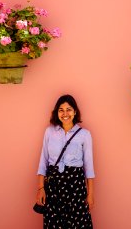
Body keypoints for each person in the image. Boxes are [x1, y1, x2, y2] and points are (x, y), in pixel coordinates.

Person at [36, 94, 94, 228]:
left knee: (77, 224)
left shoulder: (84, 134)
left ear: (75, 111)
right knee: (54, 224)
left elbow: (89, 167)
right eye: (61, 110)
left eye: (68, 109)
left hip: (75, 187)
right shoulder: (49, 132)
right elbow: (43, 162)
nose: (65, 113)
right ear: (57, 113)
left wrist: (90, 194)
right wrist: (40, 188)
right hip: (53, 187)